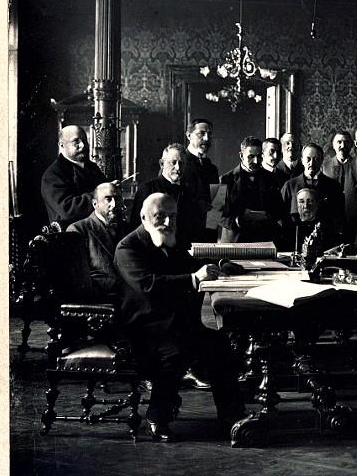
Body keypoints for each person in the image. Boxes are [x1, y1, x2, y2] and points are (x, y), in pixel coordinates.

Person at [114, 193, 243, 441]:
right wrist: (195, 279)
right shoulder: (128, 247)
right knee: (175, 352)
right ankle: (156, 417)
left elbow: (190, 261)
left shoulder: (168, 241)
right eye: (159, 216)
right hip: (144, 328)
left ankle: (231, 414)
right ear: (143, 217)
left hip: (173, 322)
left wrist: (220, 263)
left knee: (220, 345)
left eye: (172, 216)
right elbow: (149, 285)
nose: (168, 222)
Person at [65, 181, 126, 303]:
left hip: (130, 294)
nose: (114, 204)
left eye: (117, 199)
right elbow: (81, 279)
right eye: (108, 199)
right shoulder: (78, 230)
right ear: (95, 204)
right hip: (102, 298)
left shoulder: (127, 228)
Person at [131, 144, 202, 249]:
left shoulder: (189, 192)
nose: (178, 168)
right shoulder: (147, 189)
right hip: (153, 250)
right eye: (173, 163)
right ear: (162, 164)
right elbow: (136, 226)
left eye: (181, 163)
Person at [219, 136, 283, 242]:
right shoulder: (225, 179)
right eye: (250, 156)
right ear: (241, 155)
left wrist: (267, 216)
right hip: (235, 241)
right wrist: (236, 221)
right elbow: (214, 215)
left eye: (259, 156)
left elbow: (279, 210)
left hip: (263, 240)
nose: (256, 161)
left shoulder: (271, 178)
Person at [41, 124, 106, 227]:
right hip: (72, 235)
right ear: (62, 145)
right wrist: (102, 195)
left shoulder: (92, 167)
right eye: (76, 141)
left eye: (85, 140)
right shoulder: (52, 175)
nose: (83, 145)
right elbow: (67, 210)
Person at [281, 143, 344, 229]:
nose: (312, 163)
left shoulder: (333, 186)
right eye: (308, 159)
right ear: (302, 160)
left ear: (322, 160)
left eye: (316, 159)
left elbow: (339, 216)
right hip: (295, 237)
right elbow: (281, 215)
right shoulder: (290, 185)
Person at [179, 118, 219, 242]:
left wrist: (212, 233)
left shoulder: (212, 168)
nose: (206, 139)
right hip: (183, 233)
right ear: (188, 135)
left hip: (206, 236)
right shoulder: (178, 163)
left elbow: (217, 203)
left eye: (209, 135)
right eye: (201, 134)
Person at [277, 187, 341, 255]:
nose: (306, 206)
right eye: (301, 202)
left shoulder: (327, 226)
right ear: (297, 204)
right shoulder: (289, 224)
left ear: (317, 204)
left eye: (310, 201)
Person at [322, 129, 357, 234]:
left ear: (352, 145)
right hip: (331, 216)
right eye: (339, 142)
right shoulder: (324, 166)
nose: (342, 145)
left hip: (353, 215)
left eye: (346, 142)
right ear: (333, 145)